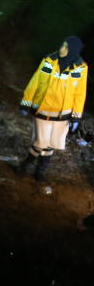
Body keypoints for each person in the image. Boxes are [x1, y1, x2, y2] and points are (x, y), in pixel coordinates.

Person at [18, 37, 88, 182]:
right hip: (43, 109)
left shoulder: (81, 68)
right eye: (62, 45)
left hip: (63, 113)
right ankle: (26, 164)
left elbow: (80, 93)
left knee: (51, 144)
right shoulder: (49, 61)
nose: (62, 49)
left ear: (73, 51)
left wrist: (76, 116)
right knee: (41, 142)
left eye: (66, 47)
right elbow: (35, 81)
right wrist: (26, 102)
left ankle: (41, 170)